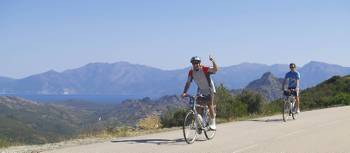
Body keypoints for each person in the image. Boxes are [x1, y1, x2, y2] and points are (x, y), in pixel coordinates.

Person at [182, 55, 218, 130]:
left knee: (209, 104)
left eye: (197, 63)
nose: (195, 64)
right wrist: (184, 92)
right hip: (201, 90)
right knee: (197, 105)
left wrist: (213, 60)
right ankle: (200, 123)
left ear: (199, 63)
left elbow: (215, 69)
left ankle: (213, 124)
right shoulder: (191, 72)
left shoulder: (204, 69)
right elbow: (188, 82)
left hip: (209, 89)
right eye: (193, 63)